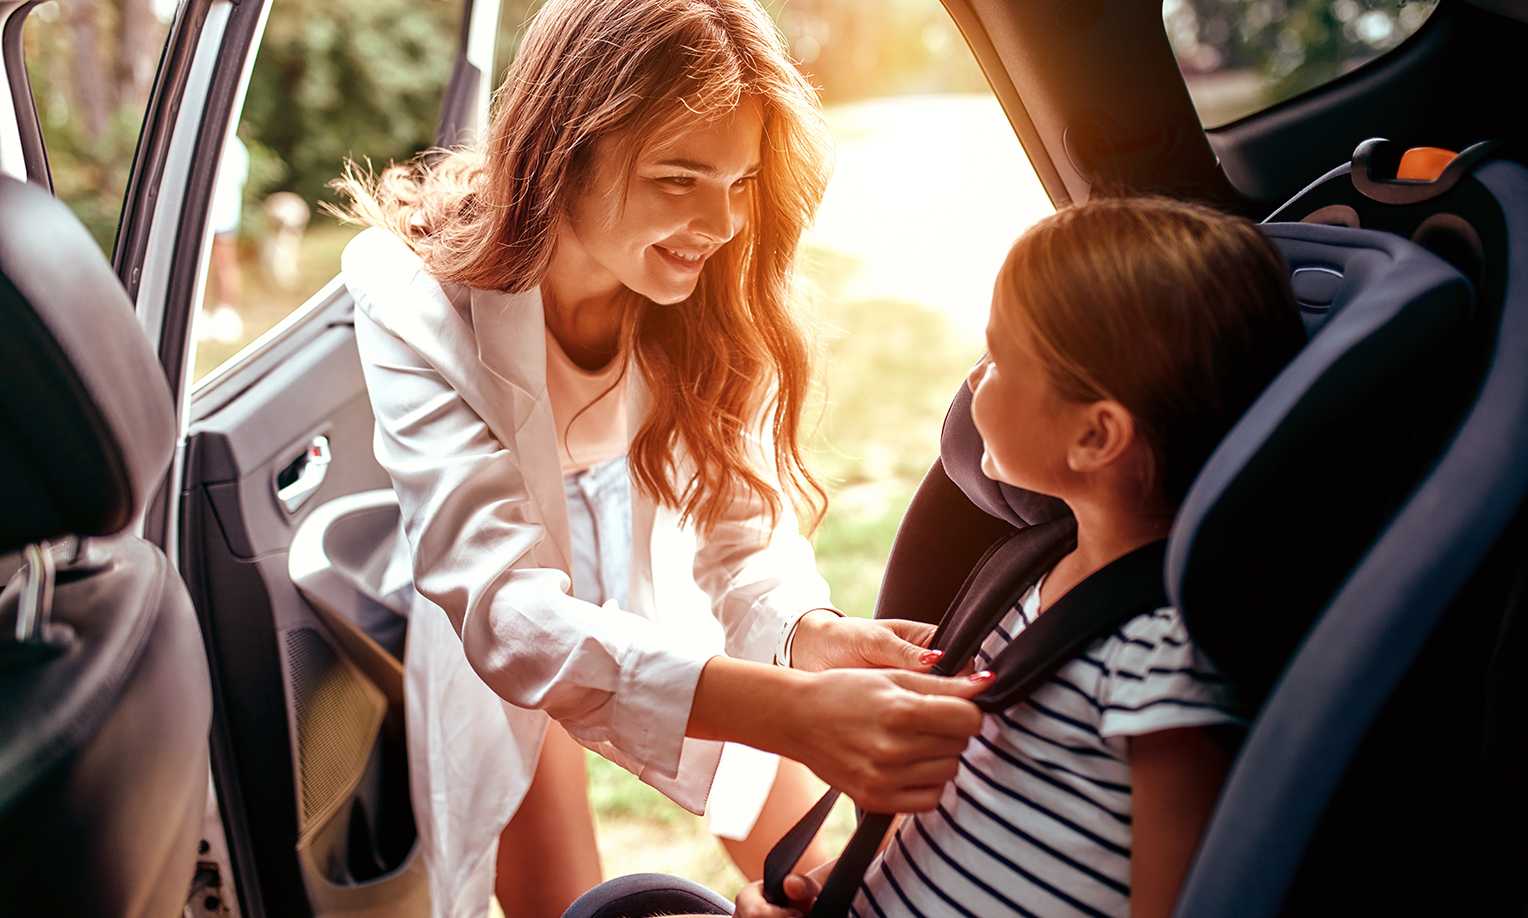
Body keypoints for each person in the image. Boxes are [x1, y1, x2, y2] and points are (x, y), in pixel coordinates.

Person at [332, 2, 990, 916]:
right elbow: (510, 611)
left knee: (813, 879)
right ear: (563, 149)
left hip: (657, 530)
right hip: (511, 576)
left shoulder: (719, 289)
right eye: (679, 177)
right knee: (563, 897)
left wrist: (806, 636)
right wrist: (795, 712)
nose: (720, 222)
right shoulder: (409, 296)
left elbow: (741, 528)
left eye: (740, 181)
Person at [578, 196, 1305, 917]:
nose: (973, 380)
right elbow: (946, 813)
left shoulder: (1161, 662)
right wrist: (827, 885)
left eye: (1001, 358)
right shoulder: (1026, 574)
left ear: (1095, 438)